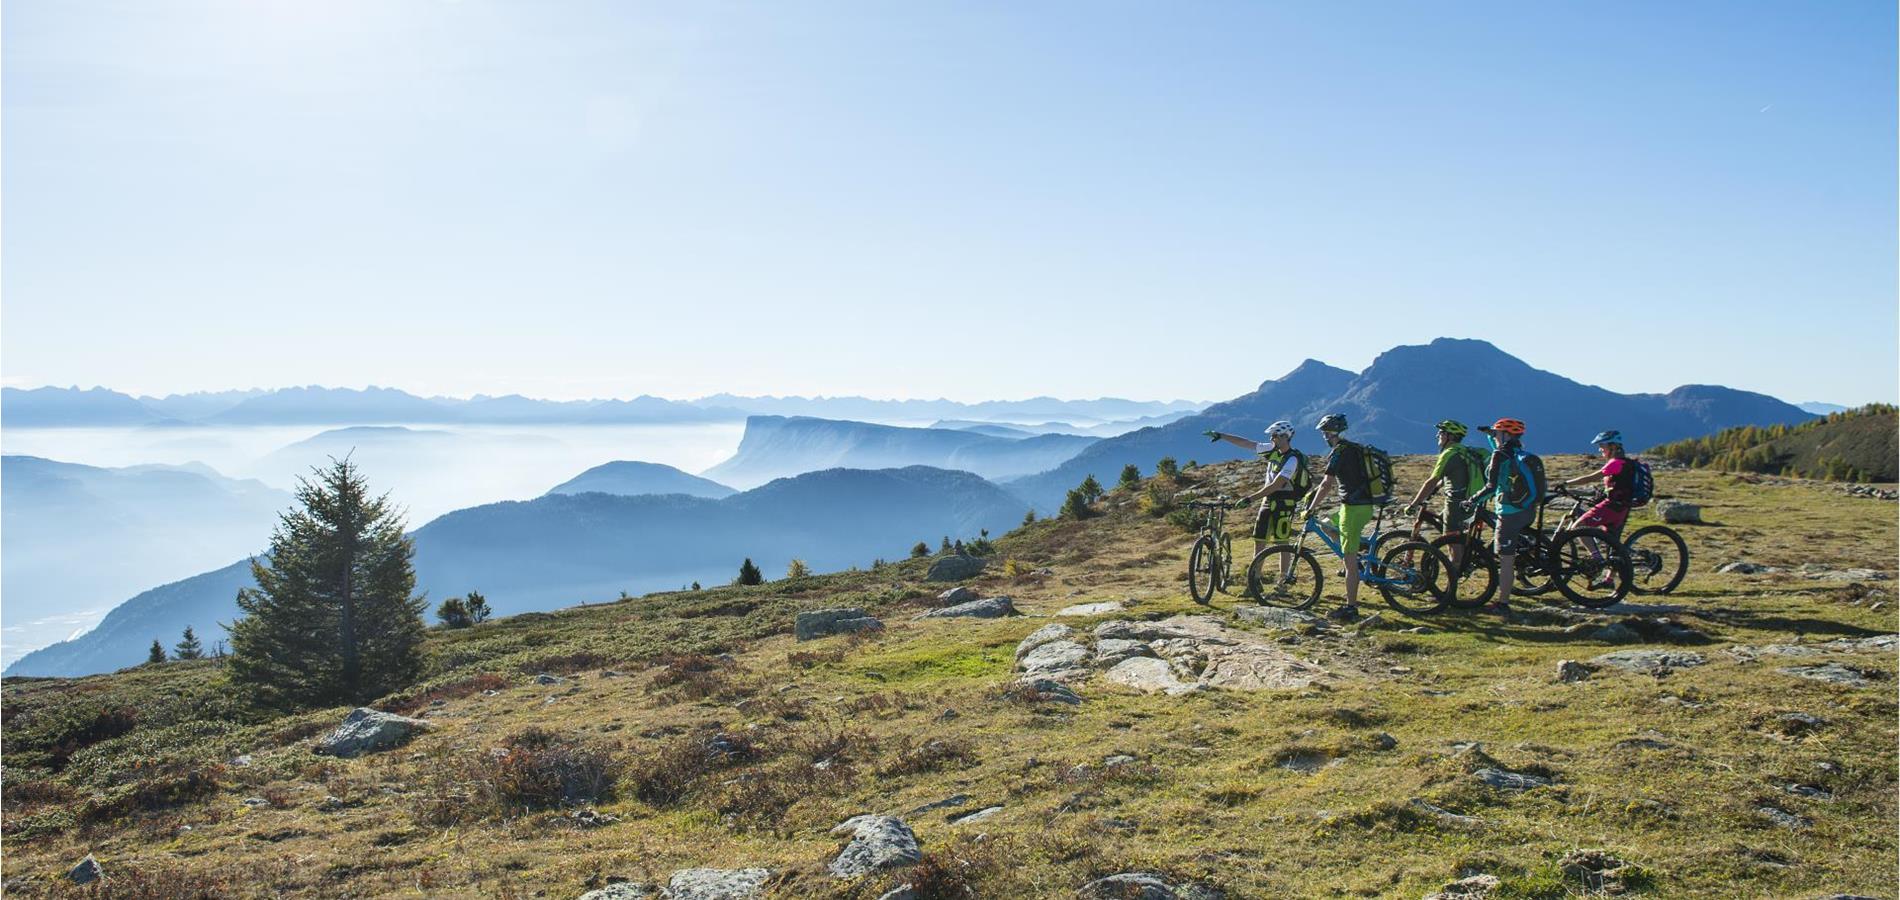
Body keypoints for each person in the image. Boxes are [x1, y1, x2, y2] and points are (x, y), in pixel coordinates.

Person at [1206, 421, 1307, 593]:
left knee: (1282, 543)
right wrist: (1222, 436)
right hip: (1267, 501)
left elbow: (1277, 484)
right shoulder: (1271, 449)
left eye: (1274, 435)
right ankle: (1255, 582)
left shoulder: (1292, 459)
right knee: (1259, 541)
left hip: (1284, 502)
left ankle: (1283, 583)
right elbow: (1247, 443)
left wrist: (1250, 498)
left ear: (1285, 437)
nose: (1271, 438)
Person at [1300, 413, 1375, 621]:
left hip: (1353, 509)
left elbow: (1326, 484)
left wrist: (1311, 507)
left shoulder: (1338, 452)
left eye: (1324, 432)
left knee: (1349, 559)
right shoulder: (1354, 448)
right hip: (1359, 506)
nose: (1323, 435)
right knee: (1326, 524)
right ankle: (1356, 562)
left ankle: (1351, 607)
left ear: (1329, 432)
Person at [1464, 417, 1539, 617]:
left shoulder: (1500, 454)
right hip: (1528, 508)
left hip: (1509, 511)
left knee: (1506, 559)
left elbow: (1491, 486)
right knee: (1513, 545)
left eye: (1496, 433)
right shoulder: (1520, 453)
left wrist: (1472, 500)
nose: (1494, 437)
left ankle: (1503, 604)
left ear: (1505, 434)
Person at [1403, 419, 1486, 568]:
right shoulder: (1464, 451)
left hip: (1455, 503)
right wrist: (1436, 489)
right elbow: (1451, 476)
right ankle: (1463, 559)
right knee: (1449, 527)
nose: (1438, 436)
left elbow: (1431, 481)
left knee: (1451, 542)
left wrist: (1414, 504)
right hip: (1470, 501)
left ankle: (1454, 575)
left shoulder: (1449, 453)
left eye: (1441, 433)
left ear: (1450, 436)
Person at [1562, 430, 1635, 540]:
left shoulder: (1615, 463)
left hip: (1612, 506)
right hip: (1622, 506)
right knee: (1611, 542)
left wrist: (1566, 483)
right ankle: (1620, 555)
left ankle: (1597, 557)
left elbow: (1590, 478)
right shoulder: (1625, 462)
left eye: (1602, 445)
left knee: (1578, 528)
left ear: (1613, 446)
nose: (1600, 449)